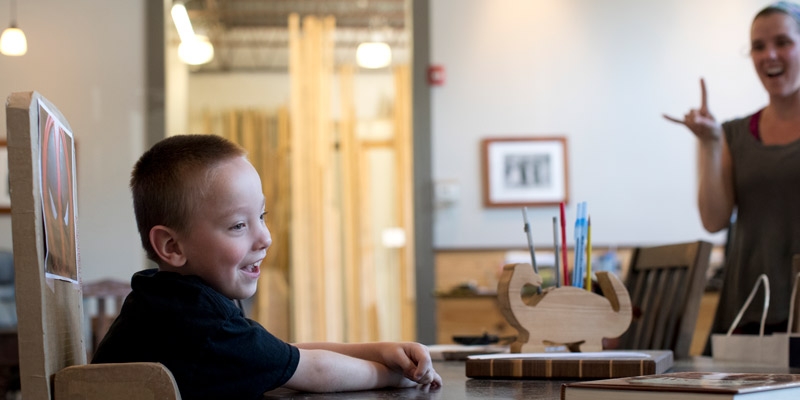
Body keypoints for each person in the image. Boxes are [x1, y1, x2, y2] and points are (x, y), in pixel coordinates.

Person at [91, 134, 441, 399]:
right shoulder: (194, 320)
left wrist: (379, 350)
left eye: (261, 216)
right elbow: (313, 370)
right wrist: (397, 376)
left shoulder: (170, 296)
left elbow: (282, 355)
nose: (265, 238)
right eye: (238, 226)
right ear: (172, 246)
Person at [664, 1, 800, 342]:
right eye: (758, 46)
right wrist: (709, 143)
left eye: (782, 42)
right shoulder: (733, 134)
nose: (769, 54)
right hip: (747, 308)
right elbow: (713, 220)